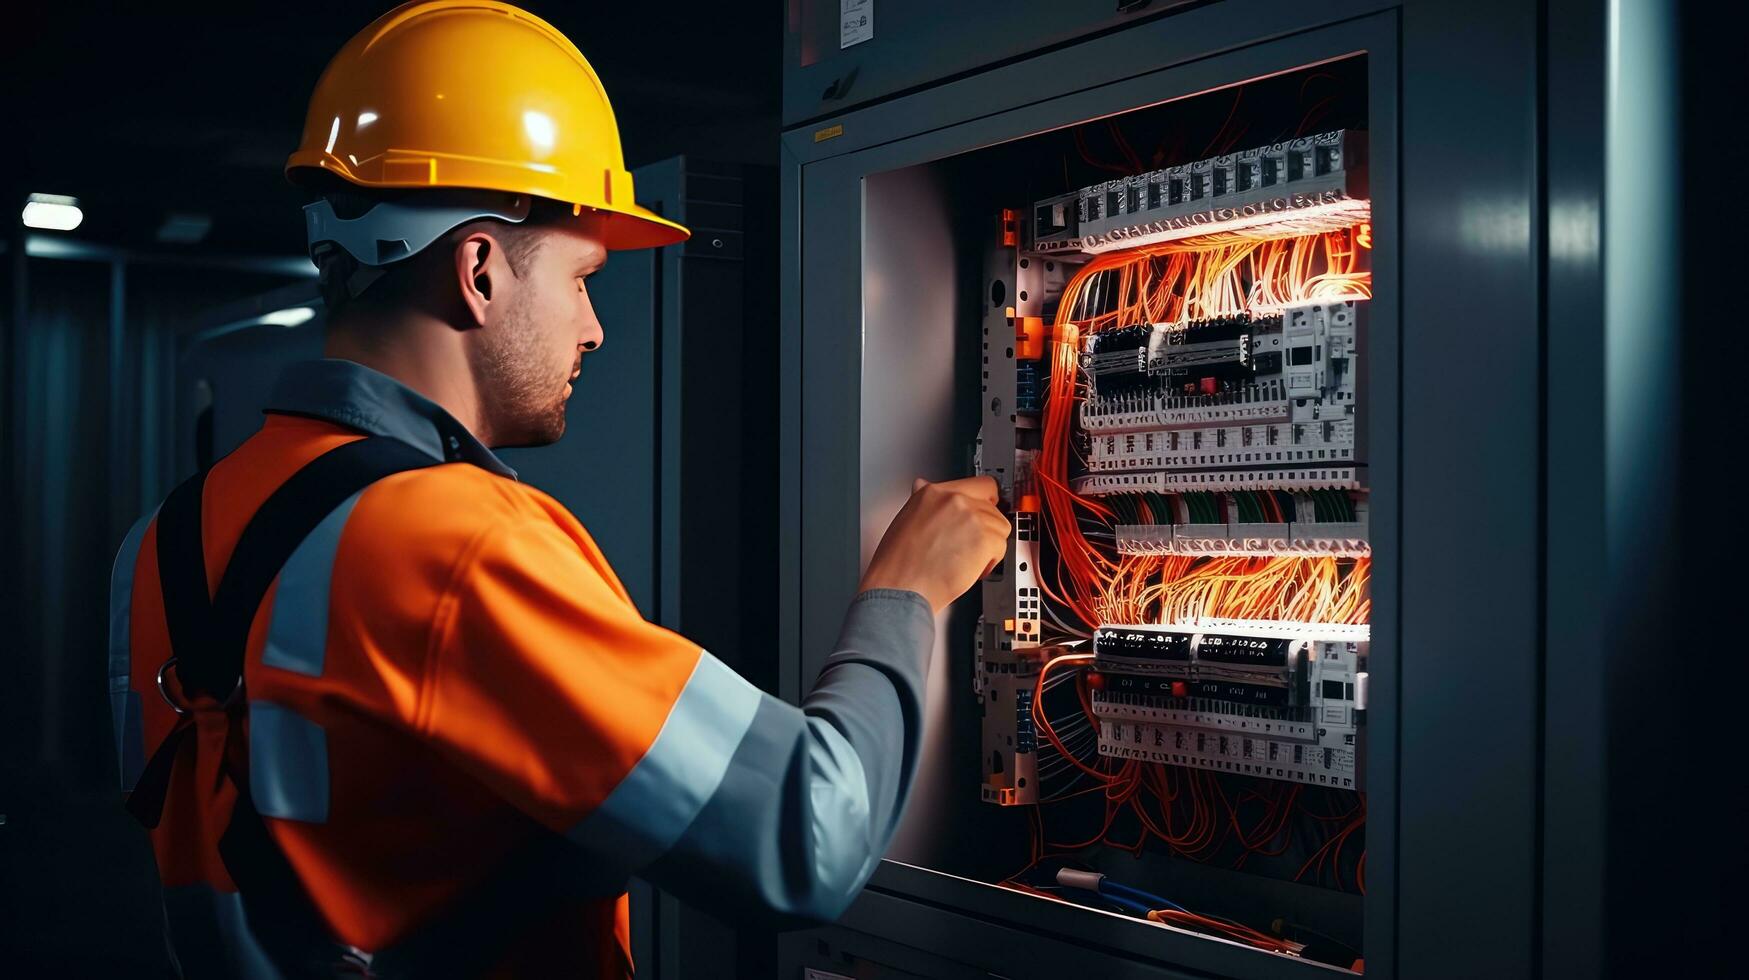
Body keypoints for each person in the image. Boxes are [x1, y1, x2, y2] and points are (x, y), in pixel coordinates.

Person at [105, 2, 1009, 976]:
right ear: (481, 269)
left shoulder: (157, 545)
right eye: (583, 277)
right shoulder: (453, 541)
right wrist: (907, 588)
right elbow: (809, 833)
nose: (595, 326)